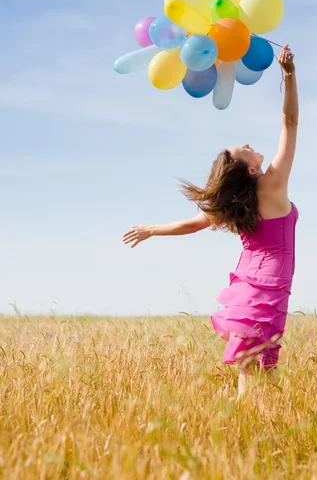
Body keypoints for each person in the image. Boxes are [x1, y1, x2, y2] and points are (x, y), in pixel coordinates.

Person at [123, 45, 299, 398]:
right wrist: (290, 76)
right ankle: (251, 428)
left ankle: (247, 425)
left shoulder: (239, 201)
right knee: (260, 368)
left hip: (249, 283)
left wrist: (152, 229)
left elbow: (192, 224)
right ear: (251, 169)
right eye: (244, 149)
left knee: (253, 369)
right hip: (268, 284)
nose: (249, 143)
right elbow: (290, 123)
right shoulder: (272, 183)